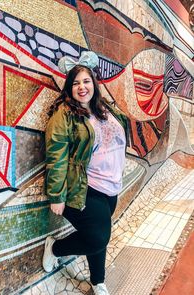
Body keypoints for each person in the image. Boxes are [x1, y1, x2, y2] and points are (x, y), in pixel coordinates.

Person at [42, 51, 127, 295]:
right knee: (98, 237)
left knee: (99, 233)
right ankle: (55, 248)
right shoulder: (65, 115)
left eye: (86, 81)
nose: (82, 87)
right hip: (84, 187)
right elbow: (56, 153)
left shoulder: (103, 108)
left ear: (94, 84)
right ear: (69, 88)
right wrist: (57, 194)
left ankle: (97, 281)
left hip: (111, 187)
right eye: (76, 82)